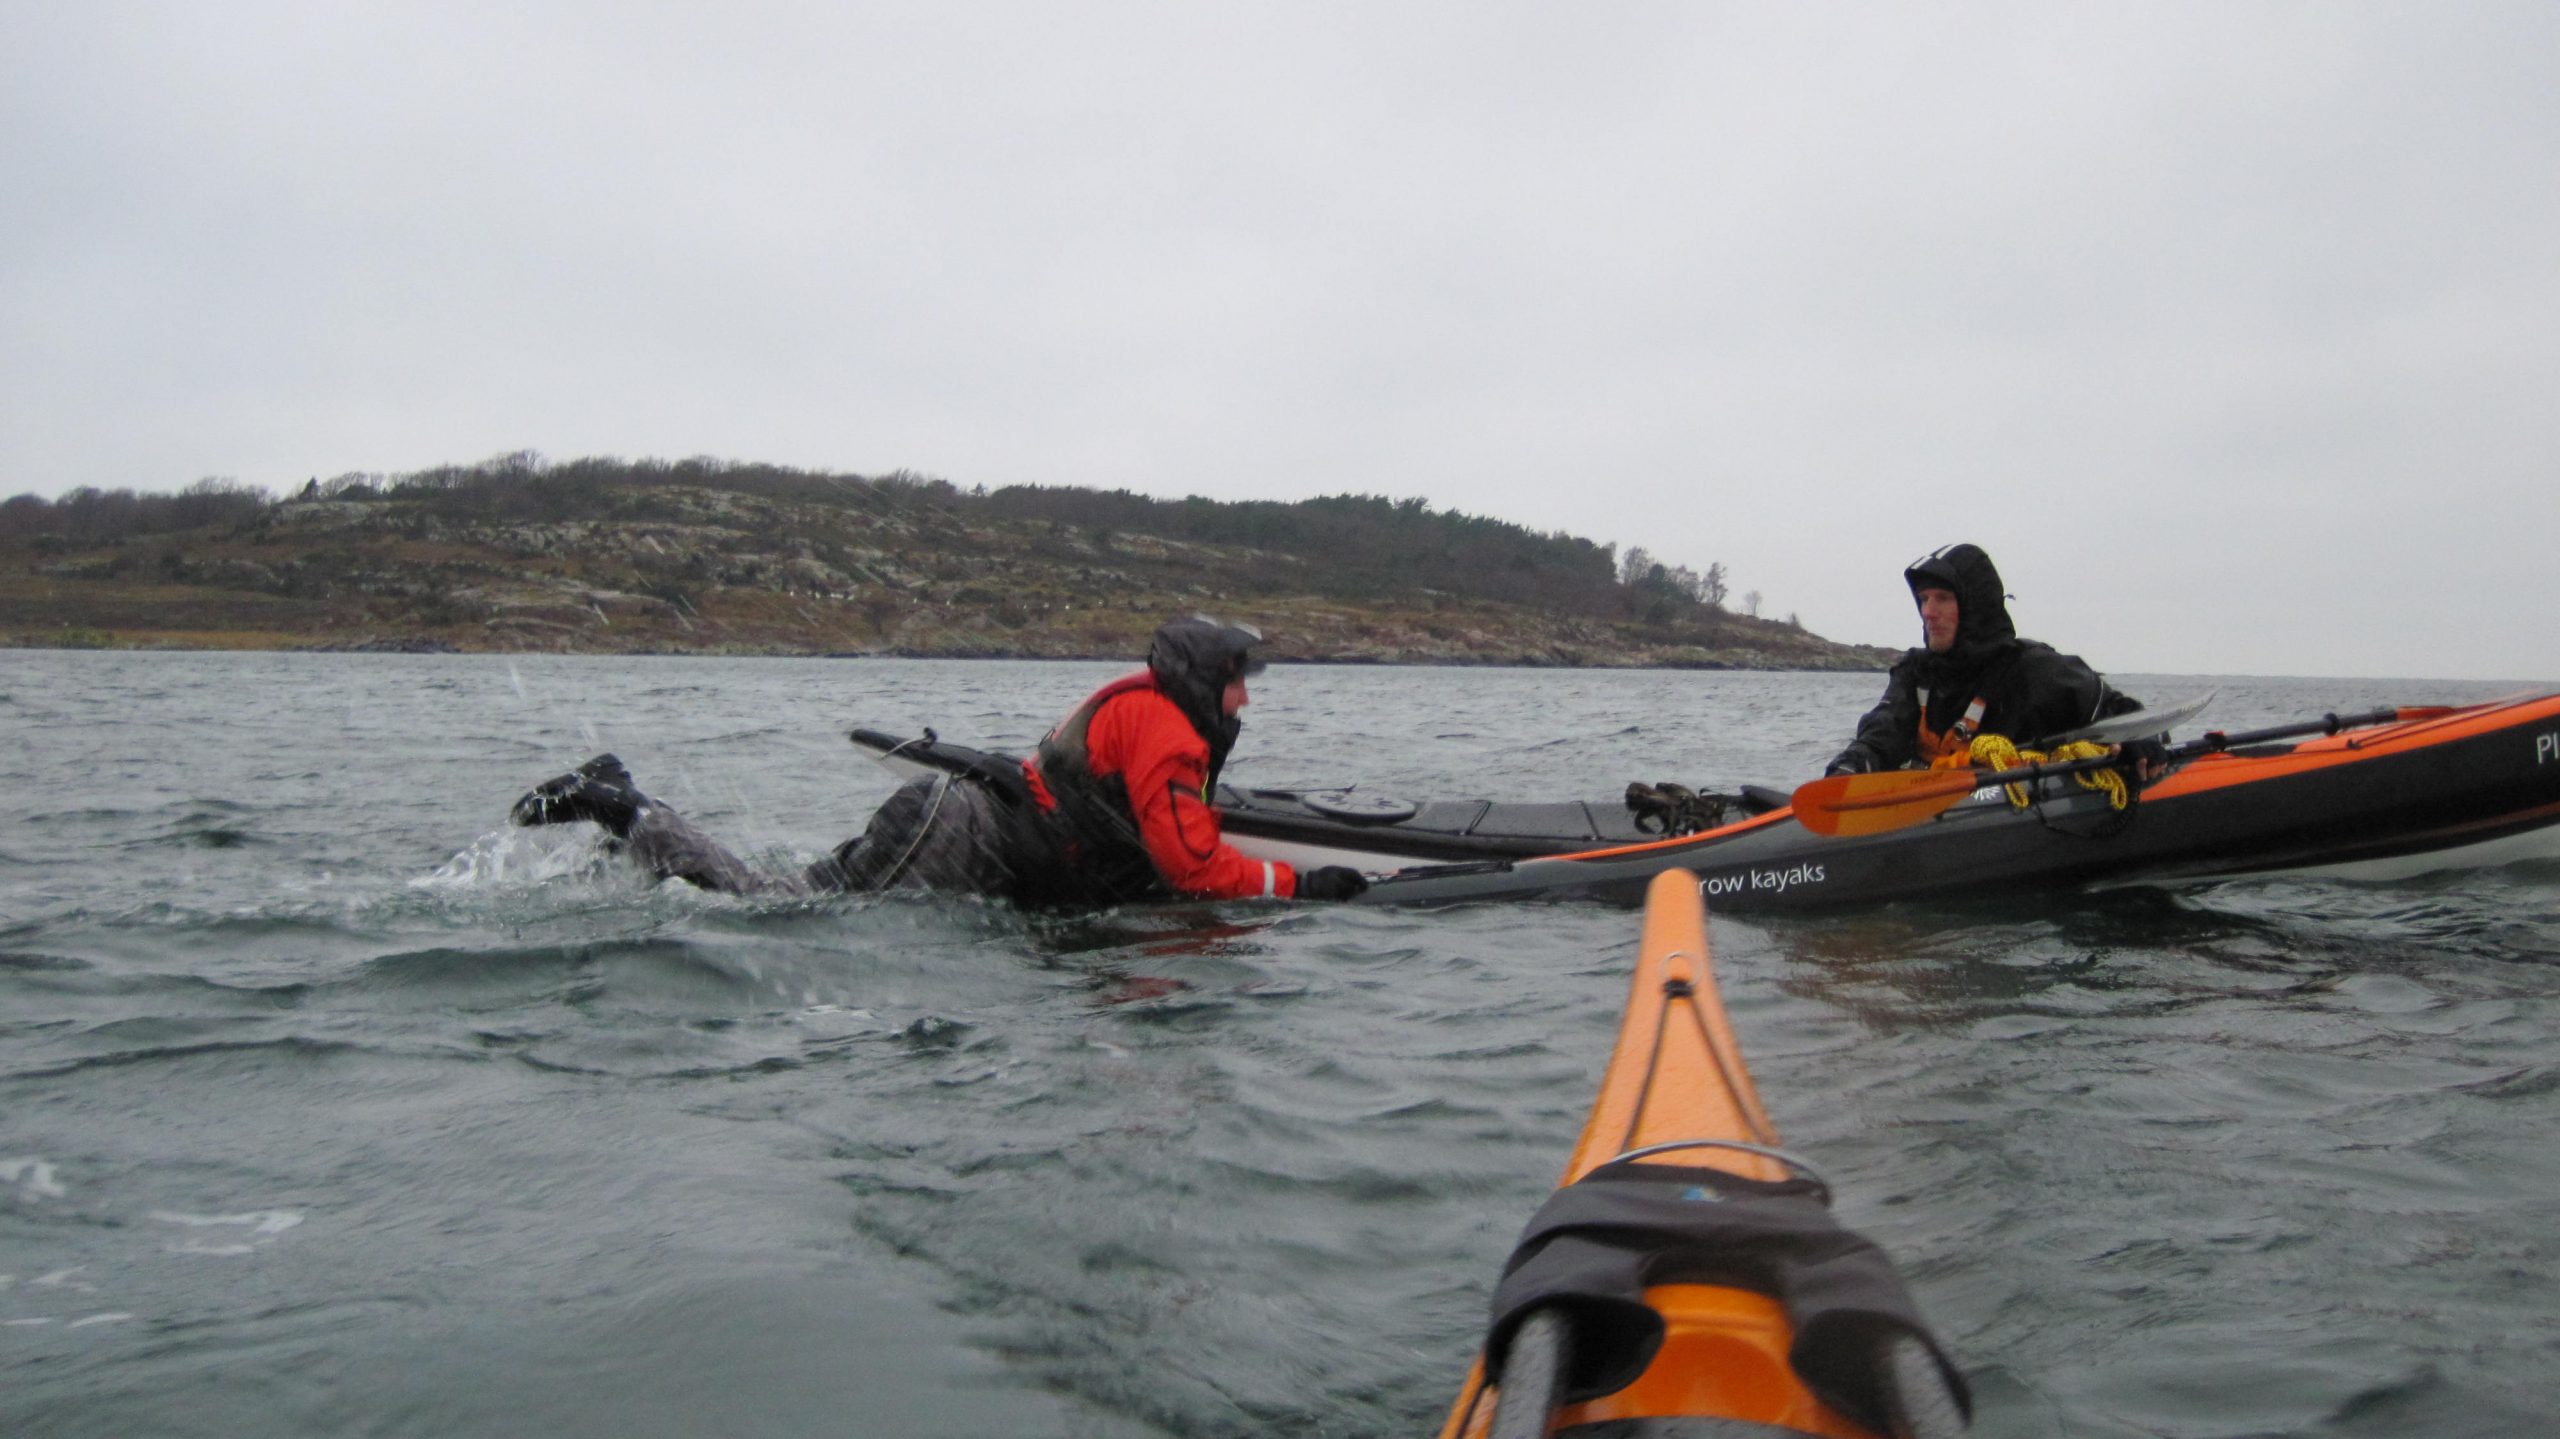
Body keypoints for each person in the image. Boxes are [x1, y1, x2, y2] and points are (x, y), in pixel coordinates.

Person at [509, 617, 1371, 906]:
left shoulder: (1147, 709)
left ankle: (628, 805)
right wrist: (1298, 887)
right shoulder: (1167, 730)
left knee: (788, 889)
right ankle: (623, 807)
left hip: (946, 816)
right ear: (1201, 680)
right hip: (951, 836)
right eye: (1238, 683)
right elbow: (1189, 866)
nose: (1245, 700)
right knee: (775, 910)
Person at [1825, 543, 2151, 777]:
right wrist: (1852, 764)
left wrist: (2141, 743)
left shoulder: (2036, 671)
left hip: (2011, 808)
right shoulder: (1915, 673)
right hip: (1929, 806)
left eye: (1942, 599)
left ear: (1974, 606)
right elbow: (1883, 734)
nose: (1928, 612)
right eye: (1923, 599)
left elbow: (2124, 713)